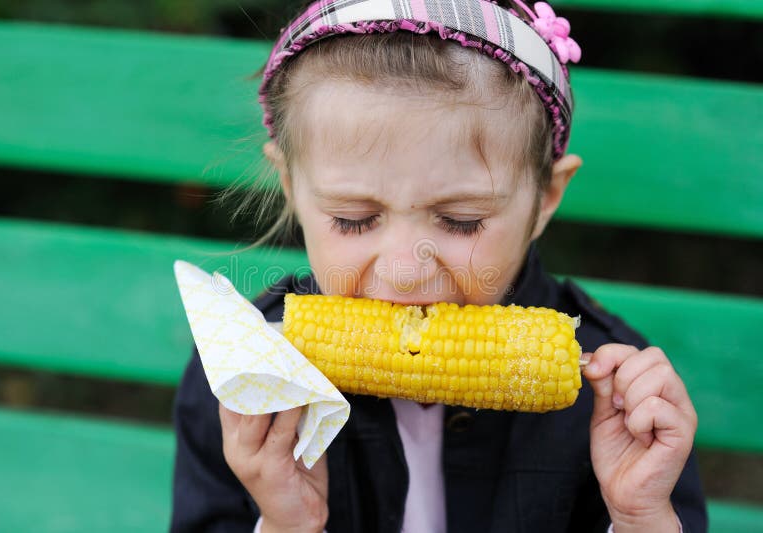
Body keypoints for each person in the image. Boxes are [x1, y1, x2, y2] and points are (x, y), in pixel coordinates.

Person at [171, 1, 707, 531]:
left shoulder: (616, 404)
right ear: (293, 189)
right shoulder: (244, 381)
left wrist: (640, 518)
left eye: (460, 220)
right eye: (354, 219)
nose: (406, 270)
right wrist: (288, 524)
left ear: (545, 198)